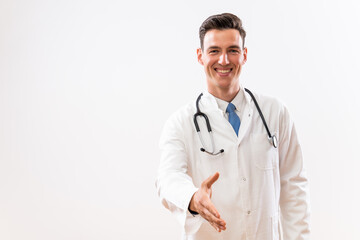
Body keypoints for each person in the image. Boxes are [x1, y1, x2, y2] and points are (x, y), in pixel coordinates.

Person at [155, 13, 310, 240]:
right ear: (200, 56)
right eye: (214, 51)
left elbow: (294, 187)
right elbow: (167, 177)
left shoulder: (275, 113)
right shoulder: (181, 122)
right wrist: (192, 198)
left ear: (244, 55)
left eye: (233, 50)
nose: (224, 60)